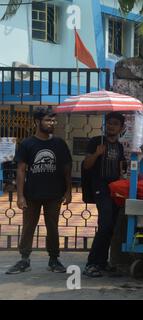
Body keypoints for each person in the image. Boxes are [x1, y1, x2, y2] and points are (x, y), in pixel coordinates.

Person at [6, 107, 72, 274]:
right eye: (47, 120)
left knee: (53, 227)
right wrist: (20, 196)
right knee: (28, 227)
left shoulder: (59, 143)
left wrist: (69, 191)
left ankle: (54, 259)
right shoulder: (27, 144)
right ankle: (24, 259)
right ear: (37, 121)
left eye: (53, 120)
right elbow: (21, 170)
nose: (51, 123)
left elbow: (67, 168)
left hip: (54, 194)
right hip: (31, 194)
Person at [82, 112, 126, 277]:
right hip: (100, 187)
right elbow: (86, 165)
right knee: (105, 225)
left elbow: (121, 168)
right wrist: (97, 154)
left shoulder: (120, 146)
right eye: (109, 123)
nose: (111, 126)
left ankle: (101, 262)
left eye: (115, 124)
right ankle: (91, 263)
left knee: (111, 226)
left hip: (115, 189)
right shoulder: (96, 142)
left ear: (121, 127)